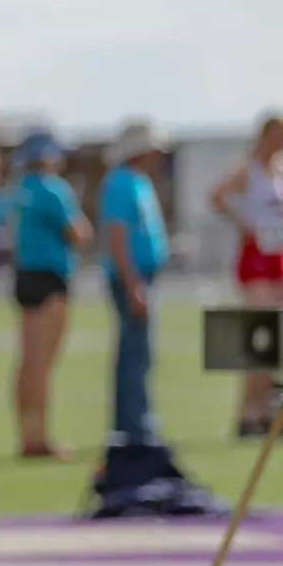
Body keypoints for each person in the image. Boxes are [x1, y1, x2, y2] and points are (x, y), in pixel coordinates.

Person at [208, 114, 283, 436]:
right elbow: (217, 196)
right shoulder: (247, 168)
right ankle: (248, 413)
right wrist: (244, 222)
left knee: (276, 339)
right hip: (256, 257)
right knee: (260, 337)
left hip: (278, 254)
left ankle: (262, 410)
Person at [9, 130, 92, 459]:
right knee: (44, 363)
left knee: (28, 361)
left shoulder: (20, 189)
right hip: (51, 276)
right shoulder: (54, 189)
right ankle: (40, 438)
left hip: (25, 274)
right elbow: (78, 232)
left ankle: (25, 434)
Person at [98, 119, 171, 447]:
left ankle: (137, 417)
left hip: (142, 275)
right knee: (134, 351)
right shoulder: (120, 182)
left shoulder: (137, 181)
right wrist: (133, 283)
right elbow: (117, 235)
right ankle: (132, 422)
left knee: (140, 350)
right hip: (132, 277)